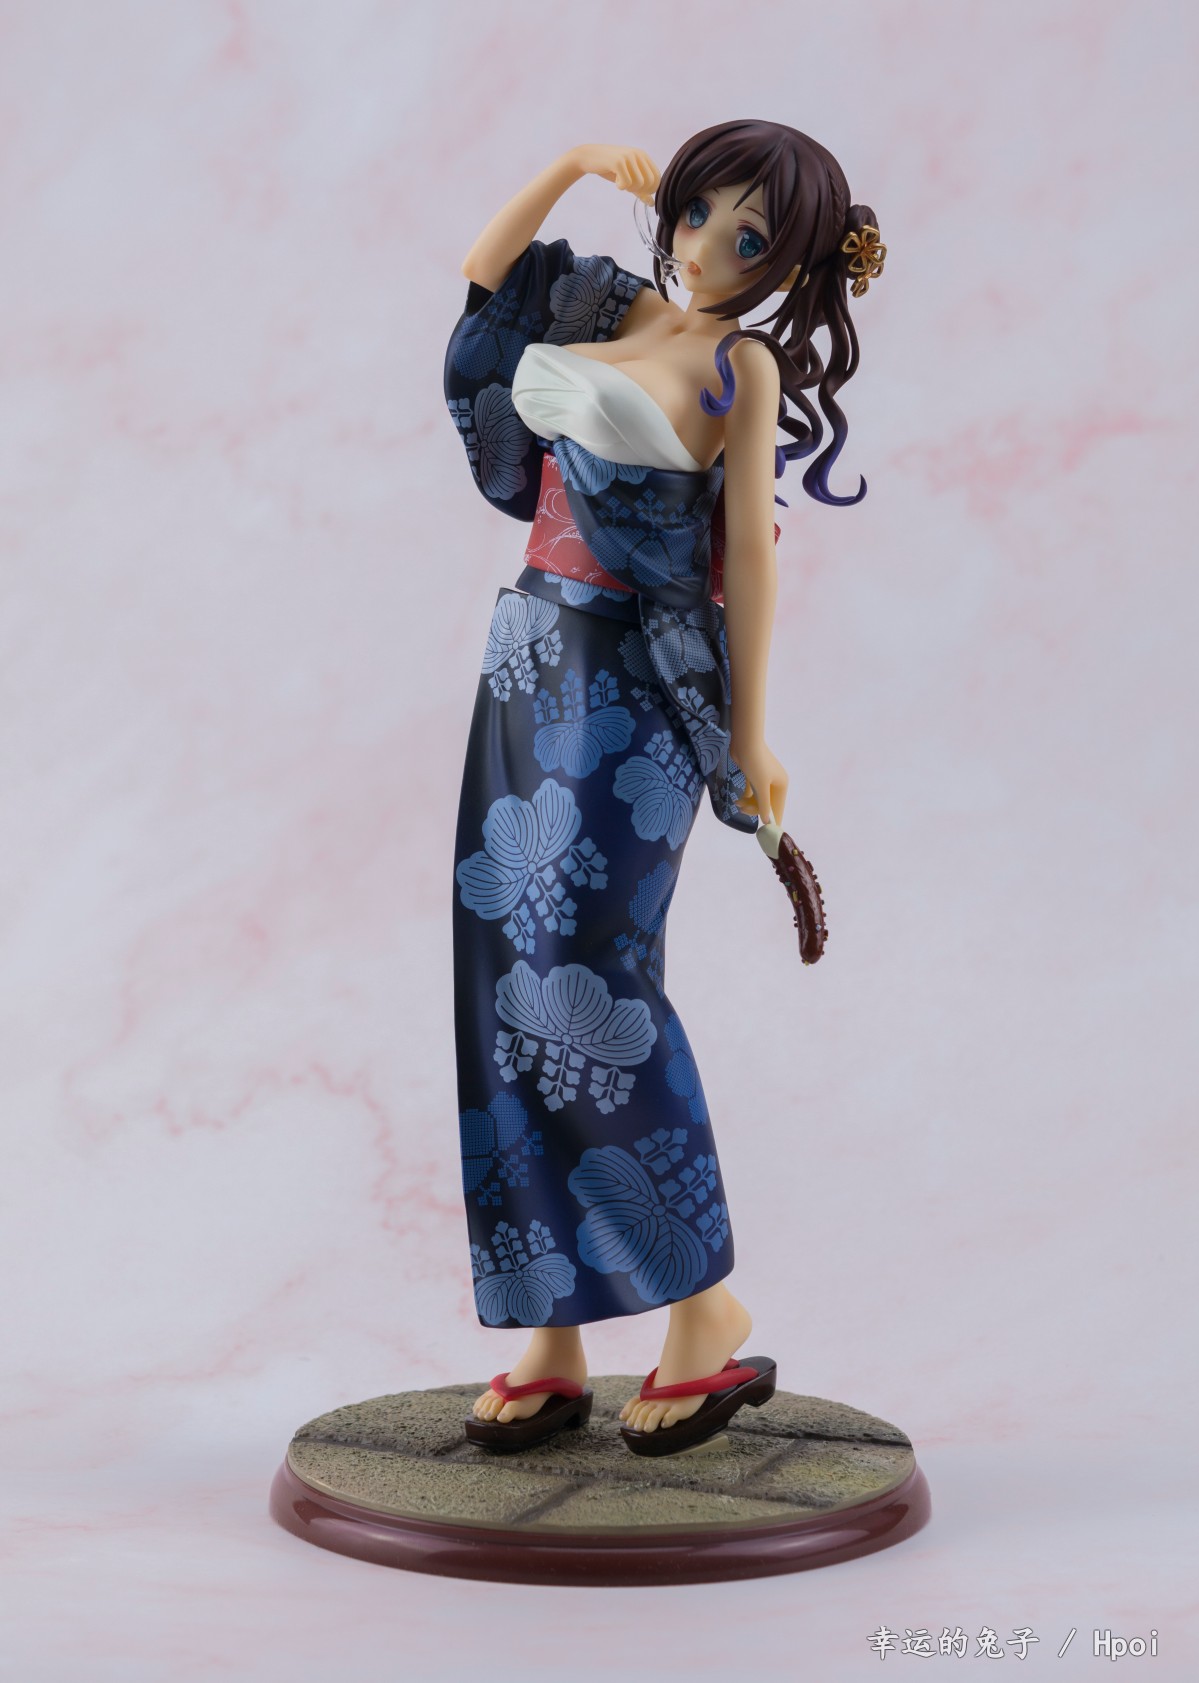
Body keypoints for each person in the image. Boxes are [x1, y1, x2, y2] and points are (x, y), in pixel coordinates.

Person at [443, 121, 884, 1454]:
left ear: (789, 266)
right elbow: (482, 282)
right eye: (698, 216)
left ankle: (703, 1310)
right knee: (500, 977)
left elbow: (748, 553)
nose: (706, 250)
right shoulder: (607, 304)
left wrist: (751, 736)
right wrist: (573, 163)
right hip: (527, 651)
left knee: (591, 979)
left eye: (749, 239)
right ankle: (552, 1323)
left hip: (636, 681)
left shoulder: (743, 365)